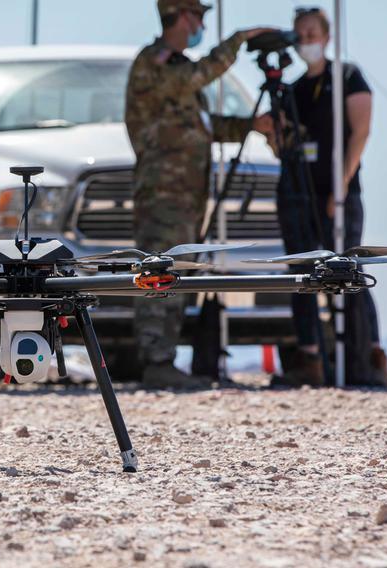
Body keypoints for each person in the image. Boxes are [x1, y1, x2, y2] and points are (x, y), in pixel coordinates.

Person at [125, 0, 274, 390]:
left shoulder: (177, 70)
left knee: (173, 273)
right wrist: (237, 42)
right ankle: (156, 360)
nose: (202, 23)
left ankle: (166, 358)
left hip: (186, 196)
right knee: (157, 271)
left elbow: (200, 127)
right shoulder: (155, 63)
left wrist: (250, 126)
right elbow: (198, 76)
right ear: (179, 15)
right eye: (199, 15)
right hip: (162, 194)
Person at [272, 7, 385, 387]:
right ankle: (310, 357)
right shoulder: (295, 89)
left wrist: (341, 184)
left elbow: (360, 132)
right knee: (302, 271)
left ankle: (366, 355)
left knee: (349, 269)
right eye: (300, 34)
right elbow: (286, 145)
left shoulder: (348, 77)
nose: (306, 40)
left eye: (311, 32)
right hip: (302, 191)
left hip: (339, 192)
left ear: (326, 35)